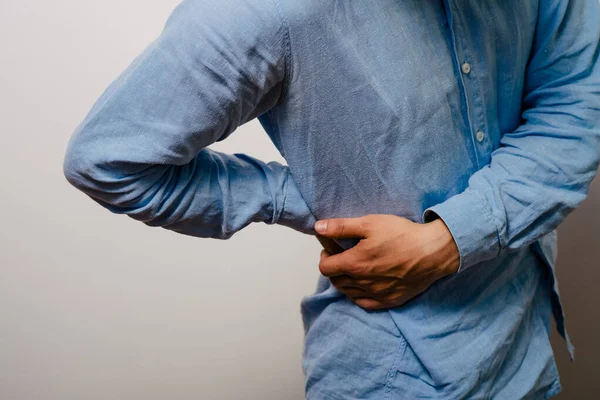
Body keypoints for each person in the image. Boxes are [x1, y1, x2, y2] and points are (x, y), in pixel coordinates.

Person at [62, 0, 600, 398]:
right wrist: (303, 200)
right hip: (402, 373)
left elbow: (576, 103)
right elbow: (109, 159)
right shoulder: (263, 11)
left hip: (526, 333)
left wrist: (450, 238)